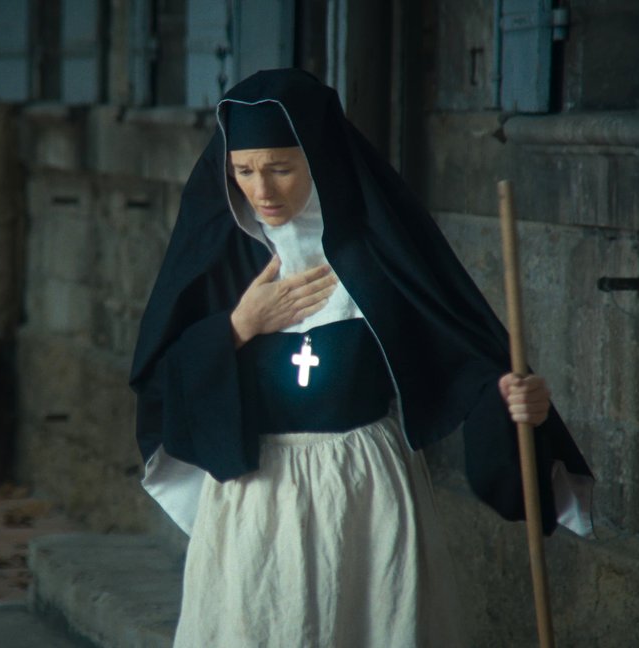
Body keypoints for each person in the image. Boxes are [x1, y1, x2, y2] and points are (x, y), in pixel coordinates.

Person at [129, 69, 594, 646]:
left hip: (366, 491)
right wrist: (236, 327)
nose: (262, 190)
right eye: (243, 171)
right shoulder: (221, 261)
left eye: (280, 168)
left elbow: (463, 365)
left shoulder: (377, 253)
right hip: (256, 499)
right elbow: (162, 382)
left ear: (318, 158)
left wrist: (509, 399)